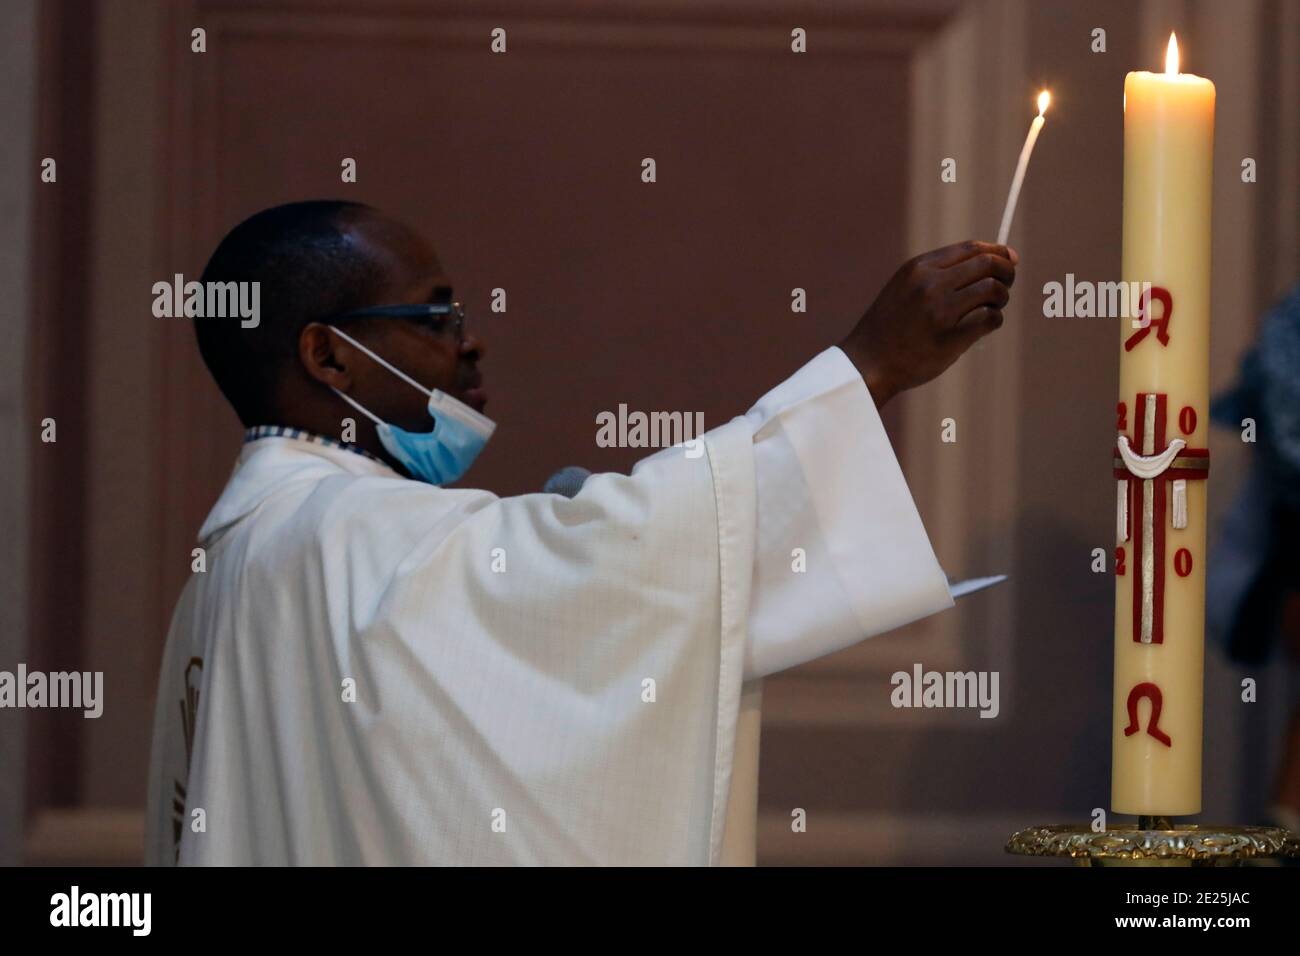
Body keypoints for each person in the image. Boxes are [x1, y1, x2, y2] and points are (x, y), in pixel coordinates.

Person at [145, 200, 1017, 865]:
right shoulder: (342, 535)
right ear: (329, 358)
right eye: (434, 316)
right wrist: (873, 367)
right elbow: (617, 565)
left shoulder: (237, 558)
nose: (471, 342)